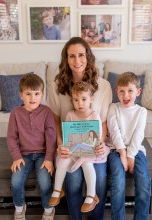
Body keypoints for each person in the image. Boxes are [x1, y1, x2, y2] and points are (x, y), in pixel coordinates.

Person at [47, 36, 112, 219]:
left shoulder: (104, 86)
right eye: (72, 56)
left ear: (88, 57)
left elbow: (104, 122)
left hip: (93, 147)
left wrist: (100, 143)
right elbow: (55, 120)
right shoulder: (56, 86)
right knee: (73, 180)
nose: (77, 61)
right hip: (69, 148)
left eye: (81, 55)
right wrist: (61, 145)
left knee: (99, 179)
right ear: (66, 60)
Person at [49, 81, 109, 213]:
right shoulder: (70, 115)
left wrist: (96, 145)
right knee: (62, 161)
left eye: (83, 99)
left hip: (89, 151)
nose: (80, 103)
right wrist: (65, 147)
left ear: (91, 100)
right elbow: (68, 136)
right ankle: (58, 190)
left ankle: (91, 195)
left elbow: (97, 137)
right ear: (72, 101)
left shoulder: (94, 116)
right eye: (76, 100)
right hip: (75, 150)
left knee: (87, 165)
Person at [7, 73, 57, 220]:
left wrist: (49, 158)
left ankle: (48, 209)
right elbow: (11, 137)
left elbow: (51, 137)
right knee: (16, 181)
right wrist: (16, 157)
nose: (32, 98)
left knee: (44, 182)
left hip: (42, 155)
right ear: (21, 95)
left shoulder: (47, 112)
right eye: (28, 94)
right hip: (24, 155)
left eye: (36, 94)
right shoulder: (15, 114)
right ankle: (19, 207)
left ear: (42, 95)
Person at [106, 72, 151, 220]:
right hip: (115, 150)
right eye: (122, 91)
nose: (126, 95)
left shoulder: (141, 112)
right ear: (116, 92)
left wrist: (130, 155)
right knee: (118, 181)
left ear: (138, 92)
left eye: (130, 91)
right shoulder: (113, 108)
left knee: (143, 180)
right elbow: (114, 131)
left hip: (136, 150)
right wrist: (123, 154)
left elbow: (138, 135)